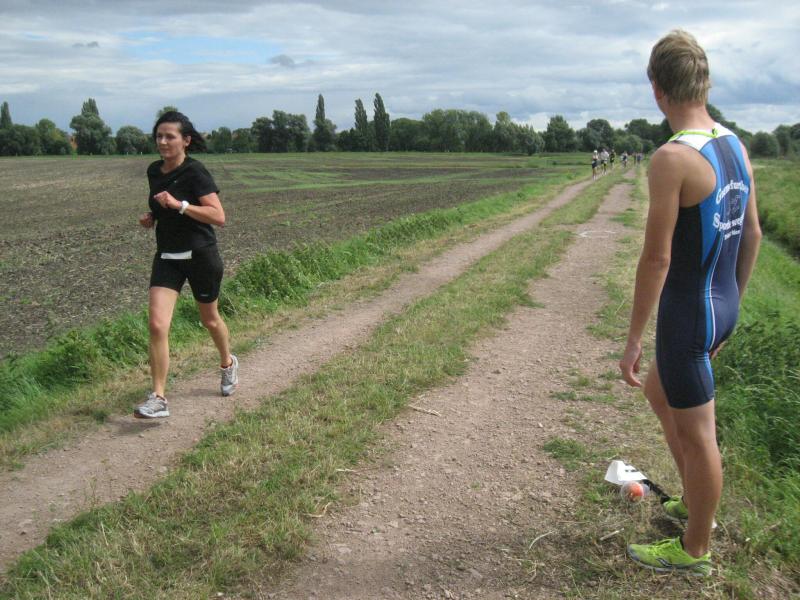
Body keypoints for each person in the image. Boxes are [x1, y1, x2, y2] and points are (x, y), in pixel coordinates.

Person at [619, 30, 761, 576]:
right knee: (661, 394)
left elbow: (657, 259)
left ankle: (695, 547)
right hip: (721, 303)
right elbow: (751, 234)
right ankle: (694, 503)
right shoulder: (734, 145)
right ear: (704, 82)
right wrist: (731, 309)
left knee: (700, 438)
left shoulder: (672, 158)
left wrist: (634, 339)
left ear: (657, 89)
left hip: (688, 315)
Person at [135, 111, 239, 418]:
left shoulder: (196, 172)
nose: (163, 142)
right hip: (167, 256)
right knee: (157, 325)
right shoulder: (154, 171)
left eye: (170, 136)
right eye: (159, 136)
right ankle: (158, 397)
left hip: (200, 256)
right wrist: (153, 216)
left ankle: (228, 363)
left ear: (186, 141)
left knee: (210, 320)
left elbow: (218, 217)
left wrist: (179, 205)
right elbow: (160, 204)